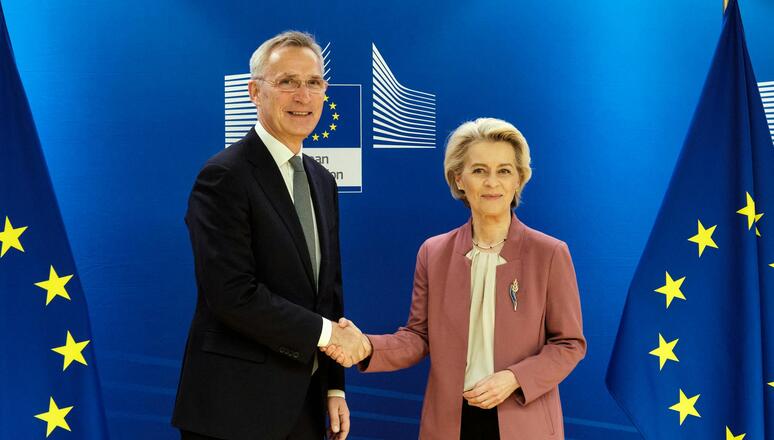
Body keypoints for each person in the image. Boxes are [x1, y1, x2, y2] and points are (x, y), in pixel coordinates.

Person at [325, 118, 586, 439]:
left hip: (524, 419)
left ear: (519, 179)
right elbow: (418, 338)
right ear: (459, 179)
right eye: (479, 170)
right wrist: (365, 346)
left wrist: (514, 377)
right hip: (450, 423)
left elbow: (569, 344)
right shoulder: (433, 253)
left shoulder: (550, 253)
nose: (492, 182)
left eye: (504, 170)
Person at [172, 31, 368, 440]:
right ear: (254, 92)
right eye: (287, 82)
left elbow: (327, 293)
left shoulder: (321, 180)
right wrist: (333, 336)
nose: (303, 96)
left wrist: (334, 385)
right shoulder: (224, 176)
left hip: (309, 405)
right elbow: (232, 294)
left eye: (313, 83)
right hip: (235, 410)